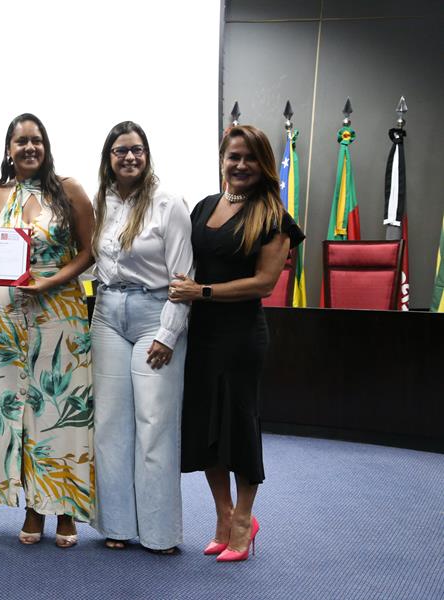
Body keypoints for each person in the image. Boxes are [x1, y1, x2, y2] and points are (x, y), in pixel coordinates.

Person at [168, 124, 305, 562]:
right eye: (233, 157)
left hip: (241, 337)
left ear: (263, 164)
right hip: (202, 334)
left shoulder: (274, 217)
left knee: (239, 426)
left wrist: (202, 292)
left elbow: (264, 283)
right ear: (222, 160)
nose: (240, 165)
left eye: (249, 158)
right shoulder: (204, 207)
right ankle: (223, 515)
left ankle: (245, 519)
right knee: (206, 426)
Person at [0, 113, 95, 548]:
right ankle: (32, 505)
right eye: (21, 141)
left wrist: (50, 282)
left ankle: (64, 509)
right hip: (8, 319)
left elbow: (89, 252)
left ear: (45, 146)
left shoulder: (69, 190)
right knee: (18, 413)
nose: (29, 147)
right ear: (8, 149)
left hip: (60, 312)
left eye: (36, 140)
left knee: (59, 407)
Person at [90, 121, 193, 554]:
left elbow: (184, 278)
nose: (129, 157)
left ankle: (159, 534)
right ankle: (116, 526)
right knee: (111, 426)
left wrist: (169, 333)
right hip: (107, 315)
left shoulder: (169, 204)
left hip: (155, 315)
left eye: (136, 150)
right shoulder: (100, 202)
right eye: (120, 151)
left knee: (155, 425)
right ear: (109, 158)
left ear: (147, 155)